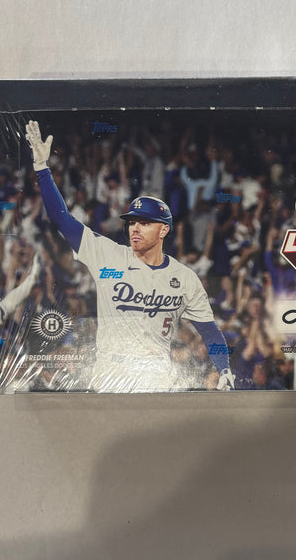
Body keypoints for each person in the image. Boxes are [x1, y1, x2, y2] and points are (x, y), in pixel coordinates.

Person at [25, 120, 235, 393]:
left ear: (164, 230)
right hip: (111, 372)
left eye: (144, 223)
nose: (134, 228)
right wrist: (42, 169)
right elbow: (62, 219)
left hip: (156, 375)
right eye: (132, 222)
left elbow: (210, 331)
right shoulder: (107, 255)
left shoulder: (184, 278)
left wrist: (224, 369)